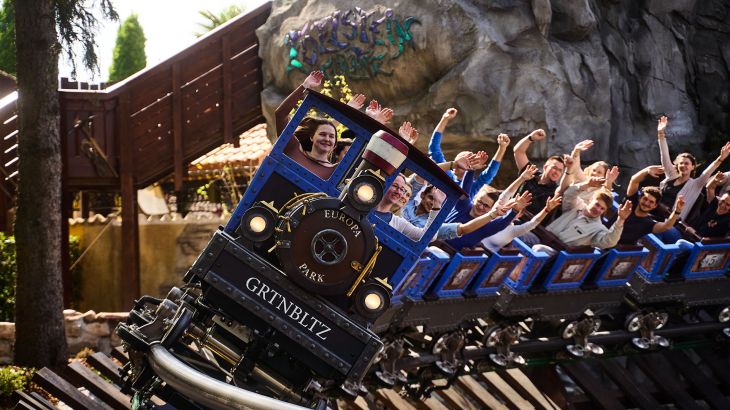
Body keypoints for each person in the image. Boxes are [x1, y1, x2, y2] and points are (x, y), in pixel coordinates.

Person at [373, 174, 510, 242]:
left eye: (436, 202)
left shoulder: (401, 223)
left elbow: (460, 229)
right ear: (423, 195)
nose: (401, 194)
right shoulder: (406, 204)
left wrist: (437, 205)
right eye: (431, 198)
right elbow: (417, 178)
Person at [533, 178, 632, 256]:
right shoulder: (576, 205)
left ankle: (519, 279)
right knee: (521, 234)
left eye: (602, 209)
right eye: (597, 204)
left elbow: (609, 241)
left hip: (557, 252)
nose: (598, 209)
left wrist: (621, 219)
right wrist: (587, 184)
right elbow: (569, 194)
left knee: (538, 249)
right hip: (542, 237)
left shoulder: (598, 228)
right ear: (591, 200)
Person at [656, 116, 730, 219]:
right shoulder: (671, 175)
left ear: (693, 167)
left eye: (687, 164)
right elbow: (664, 155)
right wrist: (661, 133)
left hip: (670, 222)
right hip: (653, 212)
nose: (683, 166)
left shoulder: (696, 185)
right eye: (681, 163)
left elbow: (708, 172)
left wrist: (721, 158)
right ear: (676, 165)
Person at [614, 174, 685, 244]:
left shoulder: (648, 223)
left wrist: (677, 211)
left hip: (620, 249)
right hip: (605, 236)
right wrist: (648, 170)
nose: (646, 203)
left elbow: (666, 226)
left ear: (655, 206)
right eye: (645, 199)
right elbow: (634, 180)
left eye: (651, 202)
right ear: (639, 198)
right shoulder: (630, 203)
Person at [513, 128, 566, 216]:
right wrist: (531, 138)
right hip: (509, 212)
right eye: (554, 168)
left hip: (526, 225)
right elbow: (518, 151)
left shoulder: (556, 192)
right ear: (545, 167)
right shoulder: (531, 173)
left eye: (560, 170)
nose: (557, 172)